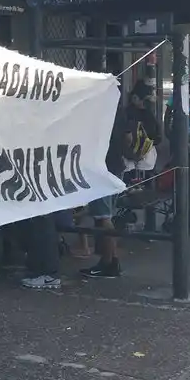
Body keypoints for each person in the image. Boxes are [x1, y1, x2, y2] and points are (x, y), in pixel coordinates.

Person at [80, 94, 134, 280]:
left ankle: (109, 262)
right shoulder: (118, 112)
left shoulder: (96, 114)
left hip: (101, 168)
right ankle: (111, 259)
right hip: (116, 165)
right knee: (106, 214)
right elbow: (129, 138)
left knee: (104, 217)